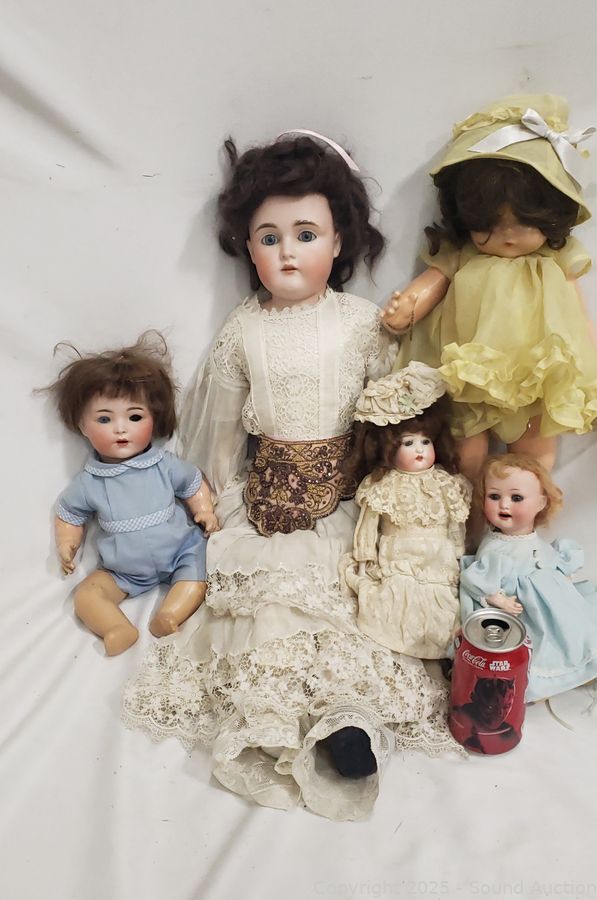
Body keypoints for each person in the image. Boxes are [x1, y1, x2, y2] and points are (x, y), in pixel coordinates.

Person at [122, 133, 461, 822]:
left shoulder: (363, 324)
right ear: (247, 248)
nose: (286, 252)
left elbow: (388, 415)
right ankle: (269, 719)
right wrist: (205, 497)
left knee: (348, 609)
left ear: (338, 243)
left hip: (344, 499)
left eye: (305, 235)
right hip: (265, 501)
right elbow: (219, 427)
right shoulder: (243, 330)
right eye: (268, 237)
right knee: (269, 605)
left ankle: (347, 719)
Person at [383, 94, 597, 479]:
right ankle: (469, 510)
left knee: (534, 451)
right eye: (489, 223)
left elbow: (576, 313)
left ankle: (527, 510)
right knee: (465, 452)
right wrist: (406, 308)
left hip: (534, 372)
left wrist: (584, 357)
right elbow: (431, 284)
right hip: (467, 371)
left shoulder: (555, 258)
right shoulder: (462, 254)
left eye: (523, 222)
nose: (507, 236)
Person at [45, 332, 218, 656]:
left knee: (197, 578)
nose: (120, 428)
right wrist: (67, 543)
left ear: (154, 419)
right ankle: (116, 627)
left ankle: (170, 614)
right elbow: (70, 514)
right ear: (82, 426)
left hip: (181, 552)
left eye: (135, 416)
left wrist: (204, 510)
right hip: (122, 570)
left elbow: (192, 484)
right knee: (86, 596)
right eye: (104, 419)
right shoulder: (88, 483)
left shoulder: (164, 465)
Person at [459, 453, 597, 702]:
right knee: (542, 641)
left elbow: (542, 554)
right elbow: (479, 580)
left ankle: (584, 661)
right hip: (524, 609)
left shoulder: (528, 536)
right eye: (494, 496)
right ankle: (548, 677)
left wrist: (559, 573)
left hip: (550, 597)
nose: (504, 505)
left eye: (516, 498)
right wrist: (498, 599)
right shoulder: (495, 548)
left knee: (576, 626)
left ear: (541, 503)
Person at [340, 363, 471, 658]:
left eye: (425, 441)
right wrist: (364, 557)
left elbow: (455, 523)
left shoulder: (445, 483)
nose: (420, 449)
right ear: (389, 449)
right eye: (408, 443)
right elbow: (368, 525)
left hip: (437, 558)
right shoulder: (383, 485)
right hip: (400, 556)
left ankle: (436, 642)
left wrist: (459, 553)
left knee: (441, 603)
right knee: (397, 598)